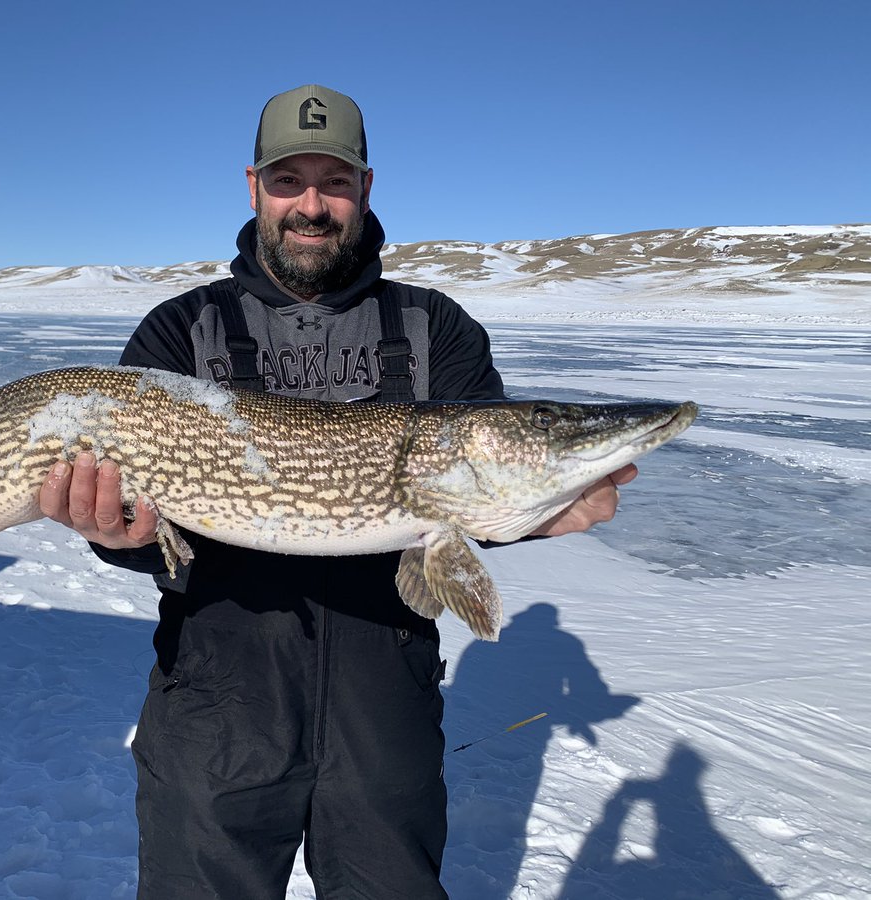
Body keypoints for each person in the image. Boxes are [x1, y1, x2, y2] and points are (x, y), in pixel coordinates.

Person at [38, 84, 636, 899]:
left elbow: (467, 497)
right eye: (289, 182)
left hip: (384, 710)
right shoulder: (182, 333)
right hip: (216, 703)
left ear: (366, 189)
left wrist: (529, 516)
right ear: (253, 188)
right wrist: (120, 535)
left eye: (336, 182)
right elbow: (142, 523)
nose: (311, 206)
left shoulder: (436, 329)